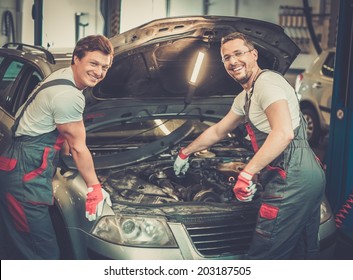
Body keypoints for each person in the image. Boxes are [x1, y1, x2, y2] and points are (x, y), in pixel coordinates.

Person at [173, 32, 326, 259]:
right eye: (226, 57)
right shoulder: (245, 97)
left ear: (254, 55)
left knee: (264, 256)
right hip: (304, 174)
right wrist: (185, 152)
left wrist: (247, 173)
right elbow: (218, 130)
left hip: (292, 175)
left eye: (238, 53)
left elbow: (283, 133)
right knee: (301, 254)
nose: (232, 61)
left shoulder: (267, 84)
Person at [0, 34, 114, 259]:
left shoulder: (64, 76)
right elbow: (78, 147)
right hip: (26, 172)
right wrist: (94, 187)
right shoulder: (68, 95)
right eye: (93, 63)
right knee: (41, 252)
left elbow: (61, 133)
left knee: (21, 245)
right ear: (76, 59)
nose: (99, 72)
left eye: (105, 67)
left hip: (21, 162)